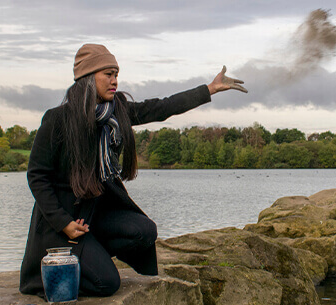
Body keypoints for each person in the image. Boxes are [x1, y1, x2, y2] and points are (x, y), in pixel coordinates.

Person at [19, 43, 246, 298]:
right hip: (68, 222)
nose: (115, 80)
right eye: (108, 74)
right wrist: (64, 223)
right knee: (107, 284)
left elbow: (162, 107)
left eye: (116, 74)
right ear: (87, 78)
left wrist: (209, 89)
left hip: (97, 215)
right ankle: (60, 269)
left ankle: (93, 251)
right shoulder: (57, 120)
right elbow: (37, 176)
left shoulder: (118, 112)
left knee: (145, 231)